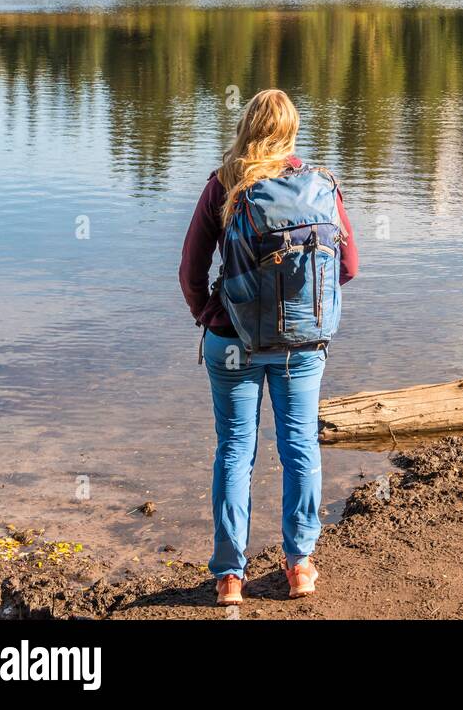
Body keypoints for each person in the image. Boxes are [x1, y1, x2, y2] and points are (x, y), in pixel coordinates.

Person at [179, 88, 359, 604]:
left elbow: (191, 272)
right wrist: (300, 305)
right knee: (300, 449)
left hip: (232, 342)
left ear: (245, 126)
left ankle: (229, 576)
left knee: (236, 451)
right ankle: (300, 565)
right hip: (298, 345)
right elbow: (347, 268)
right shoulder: (318, 184)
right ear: (291, 133)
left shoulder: (223, 184)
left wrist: (212, 317)